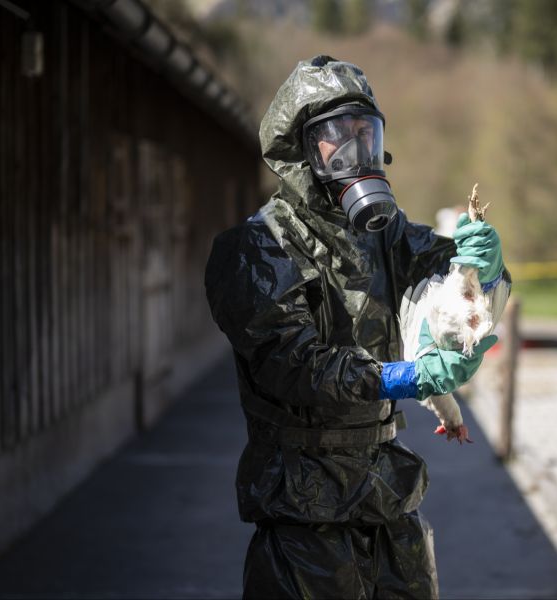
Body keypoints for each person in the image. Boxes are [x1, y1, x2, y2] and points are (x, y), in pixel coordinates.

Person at [204, 56, 509, 599]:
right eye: (335, 135)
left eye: (364, 133)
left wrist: (479, 270)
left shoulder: (384, 237)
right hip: (302, 500)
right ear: (300, 149)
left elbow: (448, 279)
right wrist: (400, 378)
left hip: (387, 491)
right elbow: (293, 366)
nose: (355, 151)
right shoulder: (257, 247)